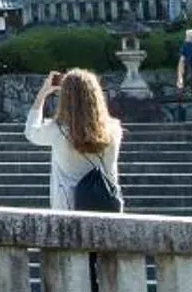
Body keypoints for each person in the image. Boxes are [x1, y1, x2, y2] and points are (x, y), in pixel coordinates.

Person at [24, 69, 123, 212]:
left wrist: (43, 93)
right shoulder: (114, 129)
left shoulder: (58, 130)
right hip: (107, 204)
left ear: (65, 98)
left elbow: (31, 132)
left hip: (68, 206)